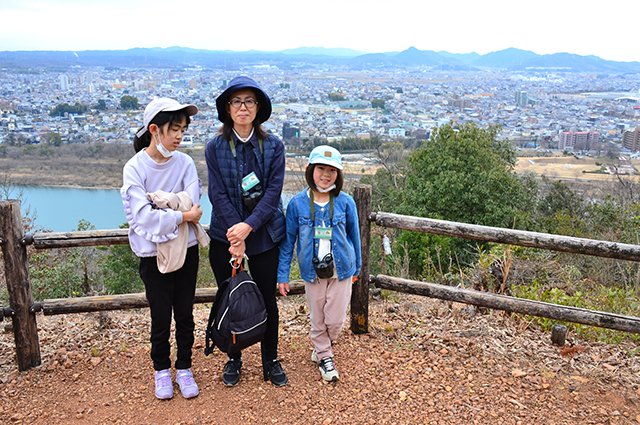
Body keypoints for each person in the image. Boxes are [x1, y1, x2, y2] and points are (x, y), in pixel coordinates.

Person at [205, 76, 288, 387]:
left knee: (267, 299)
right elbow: (217, 194)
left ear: (258, 108)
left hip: (264, 235)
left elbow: (273, 194)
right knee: (231, 297)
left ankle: (271, 359)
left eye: (249, 101)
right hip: (225, 237)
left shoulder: (273, 146)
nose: (243, 107)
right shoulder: (215, 148)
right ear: (227, 108)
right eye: (236, 102)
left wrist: (248, 227)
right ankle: (234, 358)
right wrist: (236, 235)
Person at [121, 97, 206, 400]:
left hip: (186, 247)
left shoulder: (184, 162)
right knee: (160, 313)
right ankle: (161, 370)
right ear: (154, 129)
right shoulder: (134, 167)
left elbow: (194, 199)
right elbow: (143, 216)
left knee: (184, 312)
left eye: (183, 129)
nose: (180, 136)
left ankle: (184, 366)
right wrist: (182, 214)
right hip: (151, 252)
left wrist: (161, 202)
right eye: (174, 129)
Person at [277, 145, 361, 382]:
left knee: (335, 320)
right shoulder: (297, 203)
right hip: (311, 271)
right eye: (320, 168)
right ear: (310, 170)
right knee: (317, 317)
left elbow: (356, 237)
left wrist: (358, 268)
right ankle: (325, 356)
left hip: (342, 268)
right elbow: (287, 242)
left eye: (332, 170)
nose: (326, 174)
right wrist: (283, 274)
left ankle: (322, 345)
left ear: (339, 174)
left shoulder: (345, 202)